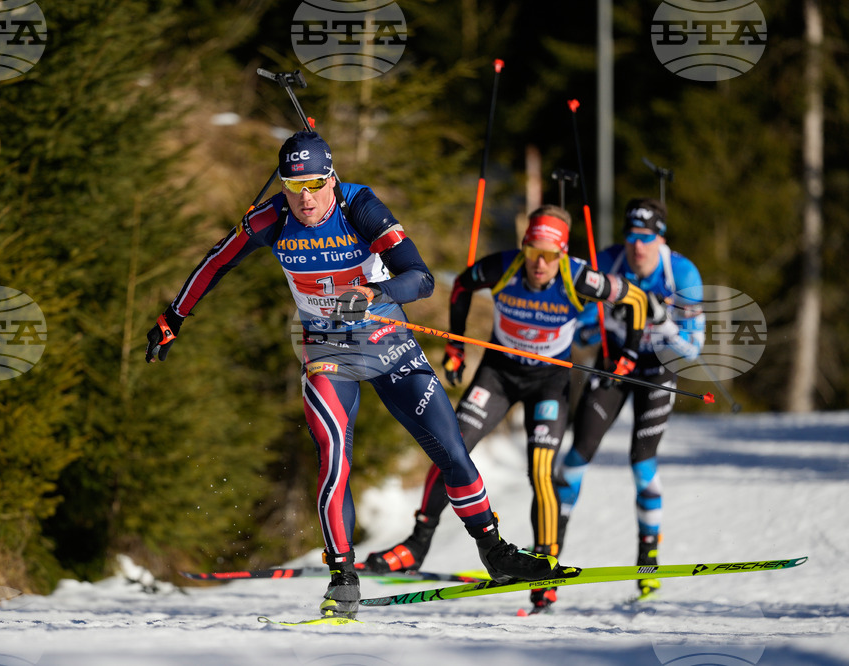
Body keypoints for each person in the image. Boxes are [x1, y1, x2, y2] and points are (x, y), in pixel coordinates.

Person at [144, 130, 565, 620]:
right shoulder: (270, 218)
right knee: (335, 453)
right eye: (292, 185)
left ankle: (494, 551)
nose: (304, 197)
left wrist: (370, 290)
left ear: (332, 177)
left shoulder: (360, 206)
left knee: (452, 448)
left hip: (386, 340)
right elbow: (218, 260)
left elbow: (421, 277)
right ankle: (343, 576)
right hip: (325, 349)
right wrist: (174, 316)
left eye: (315, 184)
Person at [365, 204, 651, 613]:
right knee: (451, 449)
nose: (539, 264)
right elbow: (462, 284)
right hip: (498, 375)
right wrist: (456, 346)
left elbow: (637, 299)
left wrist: (629, 354)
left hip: (548, 383)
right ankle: (418, 542)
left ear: (563, 254)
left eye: (550, 256)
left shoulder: (580, 276)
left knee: (540, 471)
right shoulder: (504, 266)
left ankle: (545, 565)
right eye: (533, 252)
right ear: (524, 247)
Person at [554, 197, 705, 599]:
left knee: (642, 462)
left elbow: (694, 349)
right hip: (615, 364)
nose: (638, 246)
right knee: (577, 454)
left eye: (647, 237)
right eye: (632, 237)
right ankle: (548, 553)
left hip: (658, 369)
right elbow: (583, 322)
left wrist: (664, 321)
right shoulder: (609, 262)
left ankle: (647, 564)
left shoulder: (682, 274)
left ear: (660, 238)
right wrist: (587, 329)